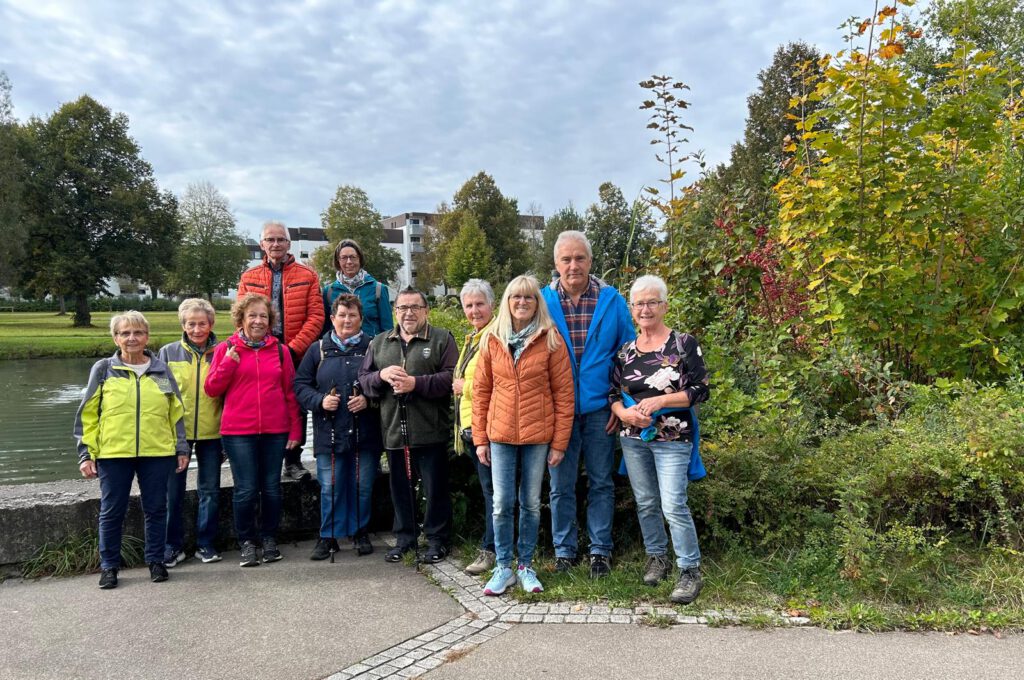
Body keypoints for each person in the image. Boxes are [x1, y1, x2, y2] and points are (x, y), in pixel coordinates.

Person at [610, 274, 710, 604]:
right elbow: (612, 392)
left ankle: (689, 570)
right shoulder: (625, 352)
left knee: (673, 504)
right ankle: (657, 558)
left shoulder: (683, 344)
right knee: (647, 502)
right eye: (639, 303)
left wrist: (661, 400)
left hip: (673, 437)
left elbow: (700, 390)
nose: (646, 309)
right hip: (633, 438)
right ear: (632, 309)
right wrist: (624, 414)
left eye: (653, 302)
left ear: (665, 306)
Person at [541, 230, 635, 578]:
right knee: (560, 485)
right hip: (558, 412)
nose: (573, 265)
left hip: (600, 411)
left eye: (580, 258)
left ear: (590, 262)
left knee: (601, 482)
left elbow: (629, 356)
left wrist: (619, 403)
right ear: (556, 264)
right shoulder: (542, 301)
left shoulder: (613, 300)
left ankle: (600, 550)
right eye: (566, 259)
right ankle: (564, 551)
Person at [472, 275, 575, 595]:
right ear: (507, 301)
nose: (522, 302)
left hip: (538, 437)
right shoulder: (492, 339)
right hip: (500, 435)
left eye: (529, 297)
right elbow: (480, 391)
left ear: (537, 303)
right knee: (501, 503)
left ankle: (525, 565)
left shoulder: (551, 339)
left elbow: (564, 394)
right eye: (516, 296)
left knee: (530, 503)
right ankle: (504, 567)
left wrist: (559, 443)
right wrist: (479, 439)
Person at [74, 311, 189, 589]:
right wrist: (86, 453)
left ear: (146, 336)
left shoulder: (160, 370)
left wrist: (181, 446)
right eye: (125, 333)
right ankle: (109, 566)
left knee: (156, 508)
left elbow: (174, 410)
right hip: (114, 453)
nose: (131, 338)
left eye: (137, 332)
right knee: (112, 511)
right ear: (116, 338)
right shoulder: (103, 370)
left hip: (157, 451)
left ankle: (156, 561)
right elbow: (87, 413)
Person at [359, 287, 457, 563]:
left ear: (426, 310)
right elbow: (364, 379)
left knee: (435, 488)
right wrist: (381, 375)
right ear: (395, 312)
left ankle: (438, 539)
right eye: (403, 307)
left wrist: (416, 383)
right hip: (393, 431)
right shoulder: (379, 343)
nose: (409, 313)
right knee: (400, 488)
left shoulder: (441, 339)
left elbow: (451, 378)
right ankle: (406, 537)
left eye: (415, 307)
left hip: (430, 429)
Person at [205, 293, 302, 567]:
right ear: (241, 319)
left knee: (271, 488)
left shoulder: (281, 352)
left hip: (275, 430)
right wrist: (228, 364)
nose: (258, 321)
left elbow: (290, 393)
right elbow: (212, 388)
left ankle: (269, 538)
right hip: (238, 432)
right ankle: (247, 541)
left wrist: (295, 430)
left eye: (263, 316)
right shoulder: (226, 349)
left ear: (270, 321)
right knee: (246, 489)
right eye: (252, 316)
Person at [295, 294, 383, 560]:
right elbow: (300, 386)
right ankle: (328, 536)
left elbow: (385, 385)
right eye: (342, 315)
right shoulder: (317, 350)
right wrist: (320, 401)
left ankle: (359, 532)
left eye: (352, 315)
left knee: (362, 485)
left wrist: (368, 400)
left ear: (361, 319)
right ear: (332, 318)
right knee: (330, 486)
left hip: (365, 431)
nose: (347, 320)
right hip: (328, 432)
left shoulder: (373, 347)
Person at [238, 220, 323, 481]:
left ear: (288, 243)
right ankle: (265, 460)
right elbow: (241, 316)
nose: (275, 244)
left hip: (295, 354)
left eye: (280, 240)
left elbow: (316, 316)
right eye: (270, 240)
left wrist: (293, 349)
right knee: (262, 403)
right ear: (262, 244)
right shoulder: (249, 277)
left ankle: (294, 460)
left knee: (296, 405)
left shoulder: (307, 275)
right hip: (259, 353)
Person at [159, 298, 225, 566]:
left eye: (202, 324)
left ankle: (206, 544)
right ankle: (172, 546)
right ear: (183, 326)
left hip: (213, 432)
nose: (197, 329)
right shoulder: (166, 354)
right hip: (178, 434)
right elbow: (163, 394)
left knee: (209, 490)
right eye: (191, 324)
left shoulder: (223, 351)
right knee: (172, 492)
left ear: (211, 324)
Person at [452, 279, 497, 576]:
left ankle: (492, 550)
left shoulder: (494, 337)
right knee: (490, 491)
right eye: (468, 305)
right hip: (471, 427)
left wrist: (463, 386)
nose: (474, 310)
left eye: (479, 303)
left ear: (492, 305)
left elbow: (498, 383)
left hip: (488, 428)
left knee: (494, 493)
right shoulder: (474, 337)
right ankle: (497, 546)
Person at [321, 238, 394, 338]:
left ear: (360, 259)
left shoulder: (378, 289)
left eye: (353, 257)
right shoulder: (329, 292)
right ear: (338, 261)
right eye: (344, 258)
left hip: (370, 349)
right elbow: (325, 329)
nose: (349, 261)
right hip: (339, 351)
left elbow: (388, 330)